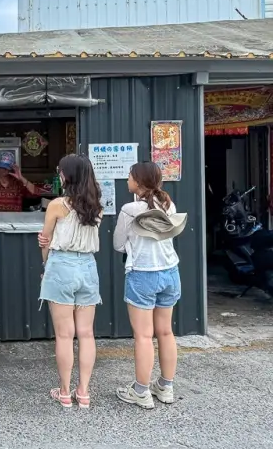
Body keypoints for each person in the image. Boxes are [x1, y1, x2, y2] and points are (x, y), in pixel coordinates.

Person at [114, 162, 185, 409]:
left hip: (143, 274)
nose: (127, 180)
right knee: (166, 332)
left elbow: (118, 244)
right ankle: (166, 387)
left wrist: (134, 246)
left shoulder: (130, 209)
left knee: (143, 336)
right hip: (170, 272)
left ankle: (141, 391)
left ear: (139, 182)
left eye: (130, 177)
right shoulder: (168, 203)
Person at [37, 155, 102, 408]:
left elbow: (46, 241)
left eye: (60, 171)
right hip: (87, 267)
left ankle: (64, 392)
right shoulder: (97, 205)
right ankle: (83, 392)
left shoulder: (56, 205)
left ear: (67, 175)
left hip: (61, 266)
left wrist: (46, 265)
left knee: (64, 336)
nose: (59, 174)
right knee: (86, 334)